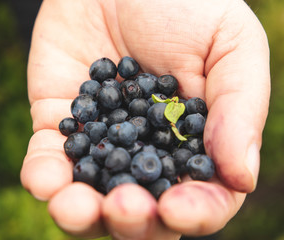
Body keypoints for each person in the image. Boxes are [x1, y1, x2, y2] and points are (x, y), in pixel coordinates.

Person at [20, 0, 270, 239]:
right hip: (56, 18)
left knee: (184, 213)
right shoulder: (109, 118)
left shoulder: (165, 119)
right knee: (166, 214)